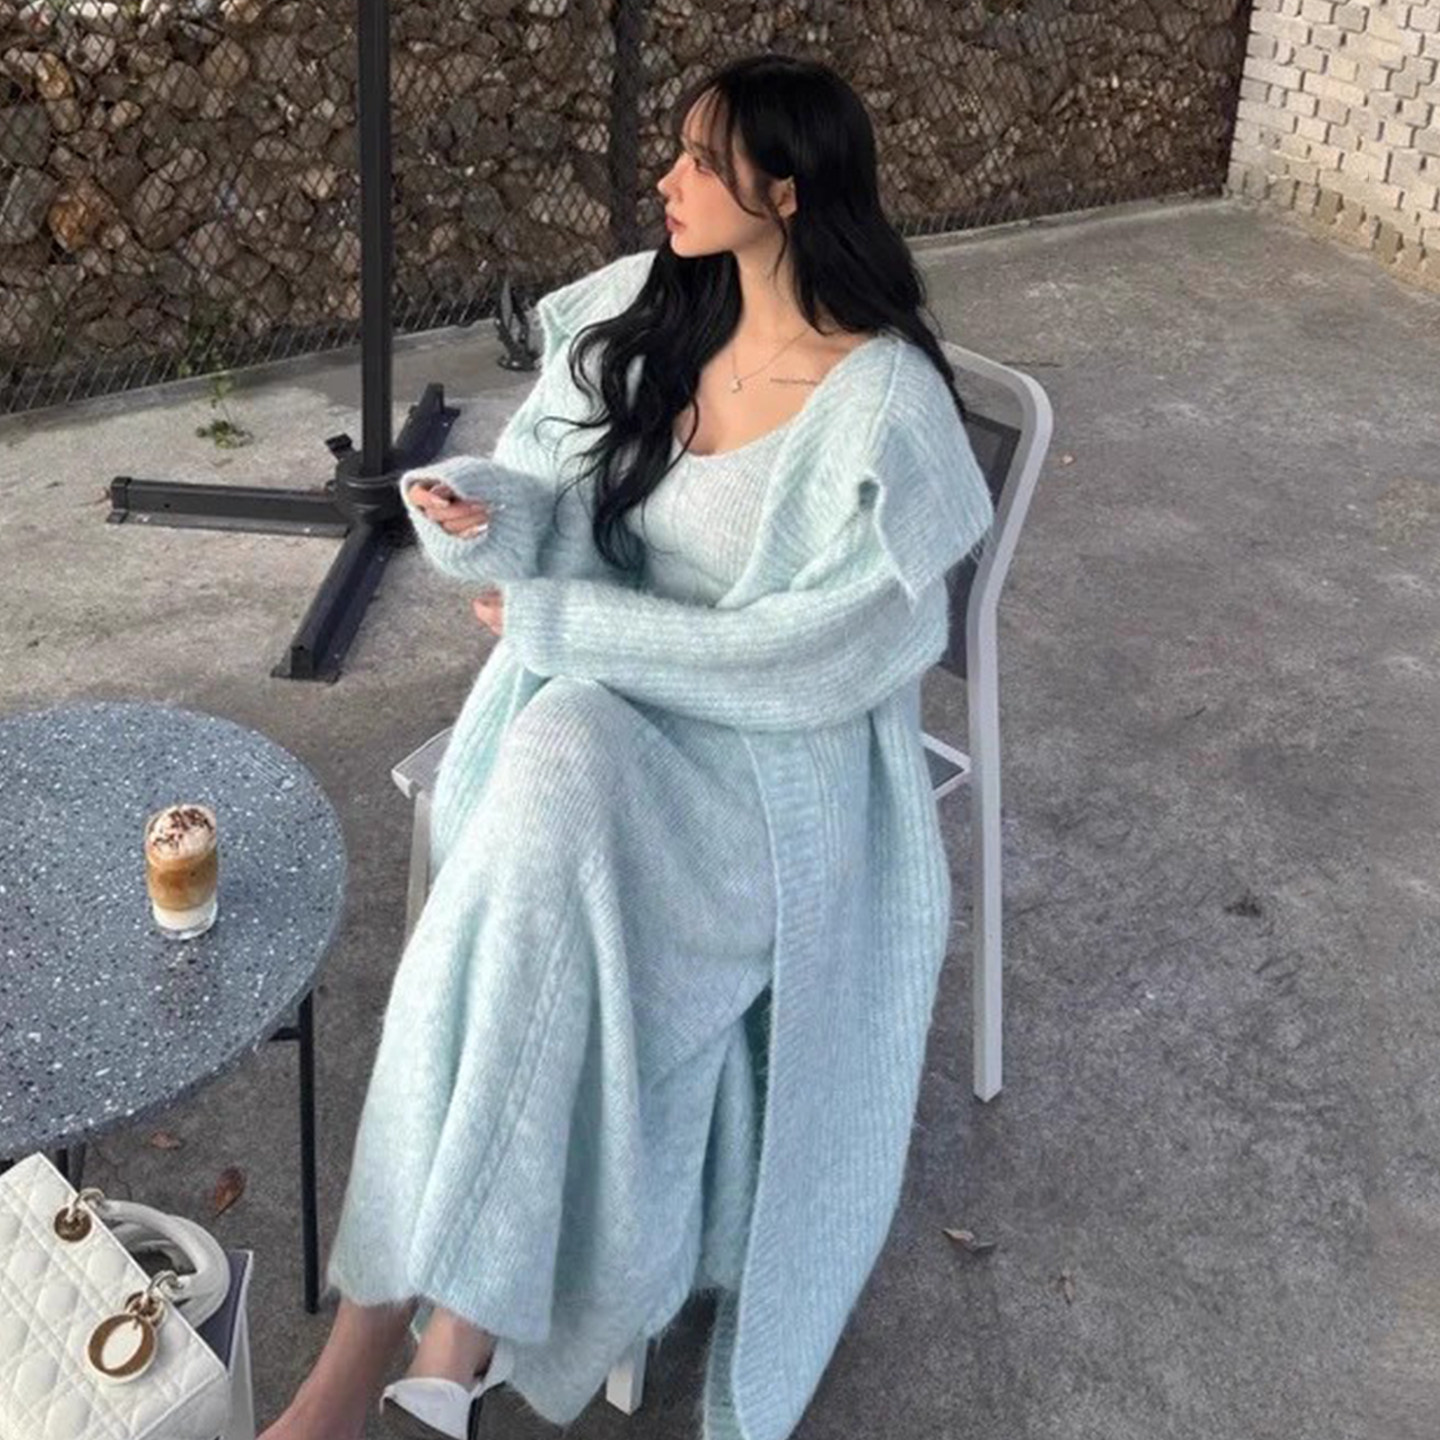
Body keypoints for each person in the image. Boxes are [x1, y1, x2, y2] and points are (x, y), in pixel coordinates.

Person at [260, 50, 992, 1440]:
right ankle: (431, 1339)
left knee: (528, 841)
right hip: (606, 721)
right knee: (550, 800)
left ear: (788, 191)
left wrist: (571, 627)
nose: (667, 180)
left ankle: (369, 1363)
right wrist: (478, 505)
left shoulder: (883, 406)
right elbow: (547, 497)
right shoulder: (651, 310)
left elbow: (816, 660)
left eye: (703, 161)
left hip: (769, 778)